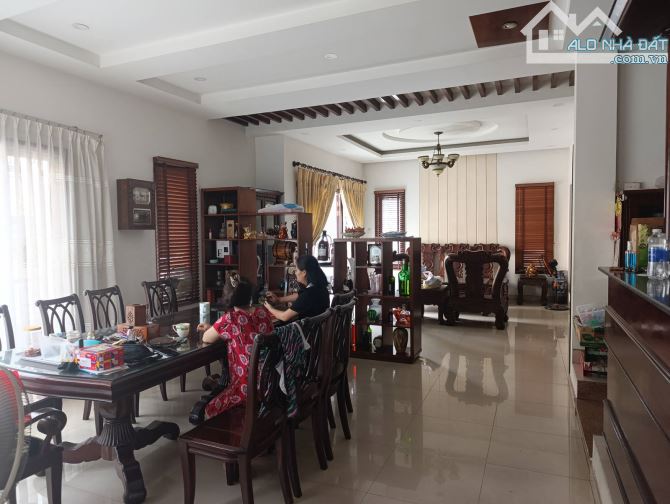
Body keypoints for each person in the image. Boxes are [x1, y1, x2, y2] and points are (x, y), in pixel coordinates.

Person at [198, 278, 271, 418]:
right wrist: (216, 328)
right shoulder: (262, 313)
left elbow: (206, 338)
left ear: (228, 297)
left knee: (209, 409)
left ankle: (237, 427)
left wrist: (212, 328)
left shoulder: (230, 319)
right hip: (270, 382)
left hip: (246, 388)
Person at [264, 254, 330, 321]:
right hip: (316, 327)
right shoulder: (319, 287)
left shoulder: (308, 295)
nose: (295, 273)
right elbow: (299, 295)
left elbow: (284, 317)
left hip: (306, 327)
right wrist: (279, 299)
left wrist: (269, 308)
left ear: (304, 272)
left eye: (296, 270)